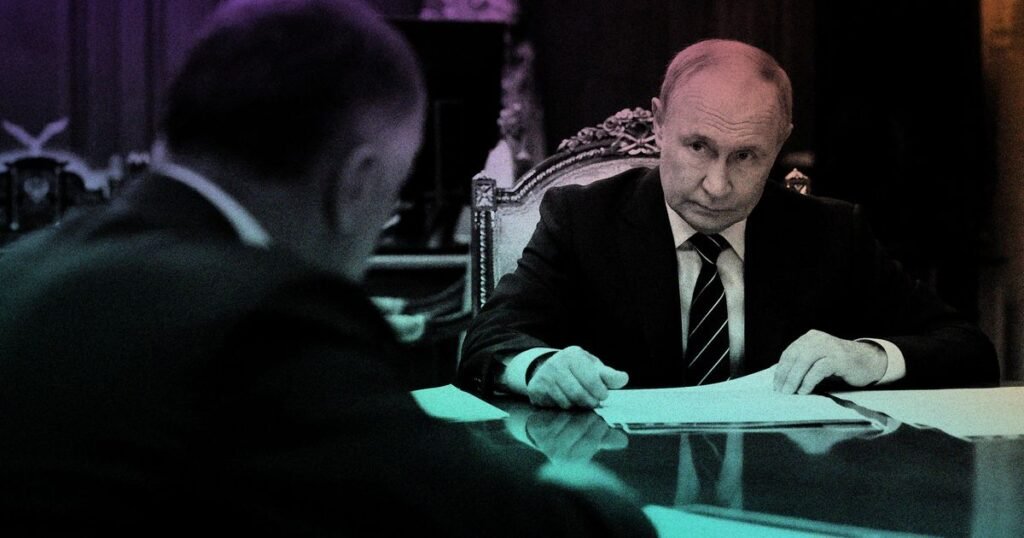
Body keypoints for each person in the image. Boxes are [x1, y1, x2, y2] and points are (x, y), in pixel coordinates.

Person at [0, 1, 656, 535]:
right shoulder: (269, 324)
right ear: (356, 184)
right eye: (394, 191)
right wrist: (587, 486)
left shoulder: (20, 269)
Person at [458, 39, 998, 408]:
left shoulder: (830, 233)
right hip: (618, 485)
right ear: (659, 123)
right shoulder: (582, 218)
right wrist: (540, 365)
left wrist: (868, 356)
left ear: (780, 142)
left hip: (781, 495)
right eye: (699, 147)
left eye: (746, 156)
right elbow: (489, 338)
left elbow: (968, 348)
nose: (718, 186)